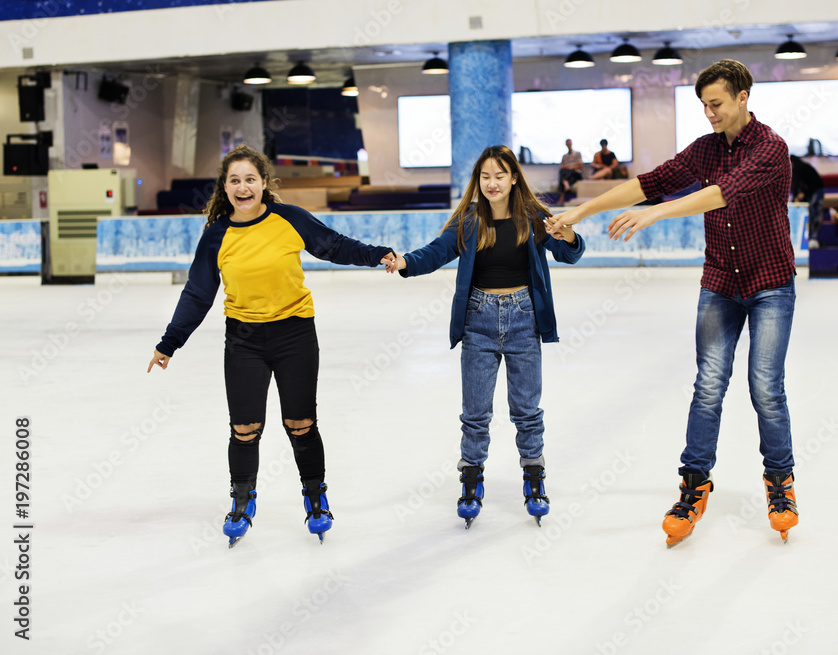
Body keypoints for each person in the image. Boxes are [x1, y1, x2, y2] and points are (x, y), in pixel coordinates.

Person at [547, 59, 799, 546]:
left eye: (717, 104)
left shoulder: (771, 150)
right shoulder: (705, 149)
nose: (710, 114)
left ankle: (780, 484)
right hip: (720, 282)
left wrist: (657, 214)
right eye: (704, 105)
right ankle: (693, 484)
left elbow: (723, 194)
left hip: (770, 284)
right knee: (708, 385)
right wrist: (581, 210)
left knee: (765, 387)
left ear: (743, 96)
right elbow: (649, 182)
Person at [147, 145, 396, 547]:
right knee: (244, 428)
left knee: (300, 424)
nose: (243, 187)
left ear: (264, 183)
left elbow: (334, 245)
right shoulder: (217, 236)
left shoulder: (289, 219)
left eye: (250, 179)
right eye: (234, 180)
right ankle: (242, 500)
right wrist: (170, 342)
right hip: (244, 340)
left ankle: (315, 497)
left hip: (294, 334)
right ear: (224, 188)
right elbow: (197, 294)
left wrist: (376, 255)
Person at [385, 145, 585, 528]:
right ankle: (471, 481)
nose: (492, 183)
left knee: (526, 410)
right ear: (478, 181)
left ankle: (534, 478)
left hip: (524, 319)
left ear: (513, 179)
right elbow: (435, 252)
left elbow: (569, 252)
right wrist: (406, 261)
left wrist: (570, 234)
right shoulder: (468, 220)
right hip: (477, 321)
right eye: (485, 176)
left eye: (499, 175)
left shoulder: (532, 217)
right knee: (475, 413)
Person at [790, 154, 825, 249]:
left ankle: (813, 238)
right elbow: (796, 188)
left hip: (816, 191)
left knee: (814, 213)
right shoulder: (794, 172)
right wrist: (795, 199)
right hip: (810, 192)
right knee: (809, 213)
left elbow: (814, 184)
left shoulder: (804, 168)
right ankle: (805, 238)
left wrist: (803, 194)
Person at [556, 138, 584, 206]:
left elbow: (580, 165)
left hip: (576, 174)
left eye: (569, 144)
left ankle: (561, 198)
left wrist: (571, 167)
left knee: (564, 177)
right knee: (562, 171)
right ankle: (566, 183)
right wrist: (566, 167)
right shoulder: (565, 156)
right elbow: (562, 166)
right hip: (568, 174)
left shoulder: (577, 154)